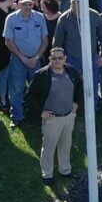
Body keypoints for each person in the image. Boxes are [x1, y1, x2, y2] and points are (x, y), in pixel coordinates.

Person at [25, 47, 83, 185]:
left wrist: (76, 105)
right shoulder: (41, 75)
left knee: (66, 145)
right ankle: (47, 174)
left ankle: (65, 170)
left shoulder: (71, 72)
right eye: (54, 58)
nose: (57, 61)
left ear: (65, 59)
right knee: (49, 148)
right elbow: (29, 97)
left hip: (69, 117)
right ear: (50, 59)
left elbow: (80, 88)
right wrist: (40, 112)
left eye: (60, 58)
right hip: (51, 119)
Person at [3, 0, 49, 128]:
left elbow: (45, 40)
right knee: (17, 89)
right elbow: (8, 41)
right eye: (24, 4)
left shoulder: (40, 17)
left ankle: (37, 115)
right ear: (19, 4)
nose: (27, 7)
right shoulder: (11, 19)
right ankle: (16, 116)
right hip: (18, 60)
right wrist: (23, 58)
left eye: (30, 4)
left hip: (36, 60)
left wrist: (36, 57)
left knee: (38, 88)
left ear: (33, 4)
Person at [53, 0, 102, 101]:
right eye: (75, 2)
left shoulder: (95, 16)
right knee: (70, 84)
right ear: (71, 3)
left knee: (93, 83)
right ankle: (71, 106)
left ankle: (93, 106)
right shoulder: (64, 19)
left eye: (80, 2)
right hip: (71, 57)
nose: (78, 5)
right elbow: (58, 41)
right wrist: (58, 59)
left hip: (91, 56)